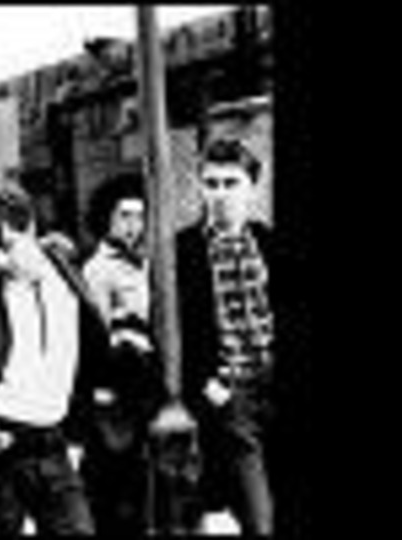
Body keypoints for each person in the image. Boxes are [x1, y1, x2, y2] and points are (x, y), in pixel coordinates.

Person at [0, 183, 109, 536]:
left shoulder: (69, 271)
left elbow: (95, 339)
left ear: (30, 228)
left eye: (7, 247)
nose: (1, 262)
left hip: (54, 445)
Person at [175, 138, 277, 537]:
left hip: (274, 384)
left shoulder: (268, 242)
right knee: (258, 518)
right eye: (211, 183)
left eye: (231, 183)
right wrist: (205, 384)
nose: (219, 194)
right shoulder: (182, 250)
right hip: (231, 395)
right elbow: (172, 329)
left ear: (252, 187)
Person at [80, 173, 164, 535]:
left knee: (142, 478)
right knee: (114, 476)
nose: (133, 224)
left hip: (147, 383)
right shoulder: (97, 269)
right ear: (107, 218)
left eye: (139, 216)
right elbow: (97, 337)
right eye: (124, 215)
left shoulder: (146, 261)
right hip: (117, 387)